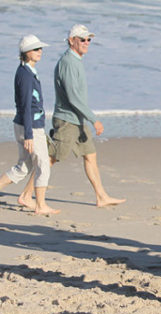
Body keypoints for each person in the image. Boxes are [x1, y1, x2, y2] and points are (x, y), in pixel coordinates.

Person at [20, 24, 126, 208]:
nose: (86, 43)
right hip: (67, 121)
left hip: (77, 119)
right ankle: (26, 195)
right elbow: (73, 97)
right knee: (52, 158)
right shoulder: (68, 62)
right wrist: (94, 119)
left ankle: (101, 197)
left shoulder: (75, 60)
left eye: (88, 39)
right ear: (71, 41)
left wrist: (86, 118)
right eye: (82, 39)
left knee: (90, 155)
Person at [0, 35, 59, 215]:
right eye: (36, 49)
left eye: (40, 49)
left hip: (25, 124)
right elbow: (25, 105)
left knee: (23, 167)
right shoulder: (25, 75)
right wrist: (29, 134)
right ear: (26, 53)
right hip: (30, 126)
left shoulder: (26, 71)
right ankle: (40, 205)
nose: (40, 52)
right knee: (43, 164)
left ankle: (29, 199)